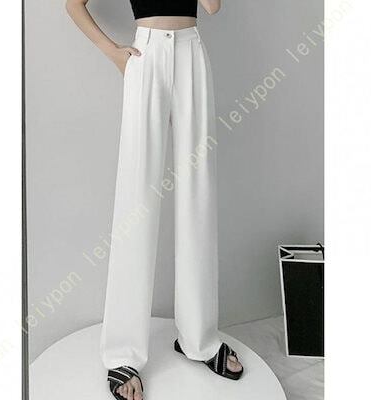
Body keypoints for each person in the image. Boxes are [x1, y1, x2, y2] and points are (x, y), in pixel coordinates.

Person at [66, 1, 243, 399]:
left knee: (198, 190)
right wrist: (113, 52)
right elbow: (73, 5)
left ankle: (199, 338)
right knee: (137, 194)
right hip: (145, 55)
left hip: (191, 51)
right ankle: (122, 352)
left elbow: (213, 6)